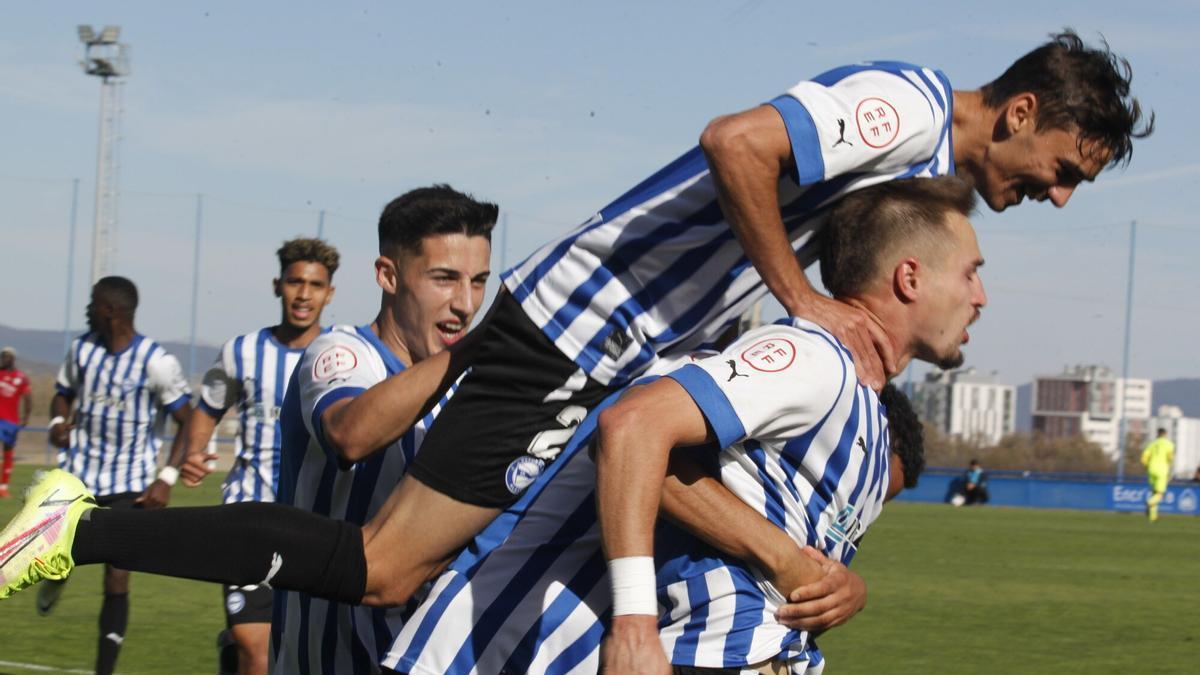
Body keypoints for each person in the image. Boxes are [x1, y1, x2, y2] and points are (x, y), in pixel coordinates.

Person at [0, 29, 1153, 625]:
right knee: (385, 570)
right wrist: (800, 303)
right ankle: (77, 525)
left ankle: (82, 529)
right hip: (575, 336)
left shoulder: (919, 157)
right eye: (1061, 170)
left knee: (400, 571)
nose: (1055, 194)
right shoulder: (899, 103)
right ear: (1019, 111)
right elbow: (735, 143)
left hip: (597, 342)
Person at [596, 175, 985, 673]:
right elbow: (630, 426)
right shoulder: (814, 358)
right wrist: (634, 628)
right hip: (727, 657)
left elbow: (797, 565)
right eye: (970, 273)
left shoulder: (867, 409)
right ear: (910, 278)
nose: (981, 297)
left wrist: (848, 590)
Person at [177, 237, 338, 675]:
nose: (303, 294)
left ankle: (230, 649)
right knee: (259, 652)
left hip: (316, 526)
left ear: (329, 293)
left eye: (315, 285)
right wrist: (193, 451)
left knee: (301, 653)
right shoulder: (241, 352)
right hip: (249, 518)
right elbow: (207, 408)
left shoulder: (343, 355)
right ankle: (239, 647)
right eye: (294, 282)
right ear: (277, 285)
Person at [36, 276, 191, 675]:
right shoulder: (83, 349)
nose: (87, 309)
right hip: (80, 477)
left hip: (130, 484)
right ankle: (58, 571)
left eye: (92, 303)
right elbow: (63, 392)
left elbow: (187, 421)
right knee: (55, 551)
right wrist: (57, 419)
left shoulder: (156, 362)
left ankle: (104, 669)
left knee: (117, 579)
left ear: (110, 310)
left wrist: (166, 477)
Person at [0, 346, 32, 498]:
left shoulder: (21, 378)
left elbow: (28, 398)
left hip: (11, 422)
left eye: (6, 356)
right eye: (2, 356)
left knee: (8, 453)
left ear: (12, 359)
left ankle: (3, 487)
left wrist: (26, 416)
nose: (3, 359)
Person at [1140, 428, 1175, 522]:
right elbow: (1170, 458)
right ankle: (1149, 502)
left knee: (1154, 493)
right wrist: (1170, 469)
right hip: (1162, 470)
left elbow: (1143, 458)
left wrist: (1147, 467)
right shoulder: (1169, 444)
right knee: (1160, 494)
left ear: (1157, 434)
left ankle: (1153, 517)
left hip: (1151, 469)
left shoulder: (1151, 444)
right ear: (1165, 434)